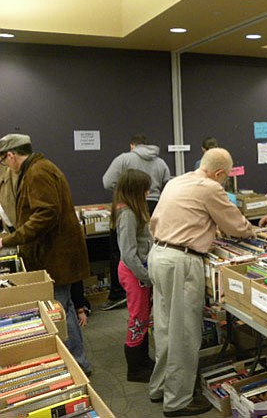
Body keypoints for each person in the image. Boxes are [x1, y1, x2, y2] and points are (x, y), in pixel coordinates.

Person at [148, 148, 254, 416]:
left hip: (158, 254)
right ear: (219, 173)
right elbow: (236, 226)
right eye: (225, 177)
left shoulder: (176, 181)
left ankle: (160, 387)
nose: (225, 182)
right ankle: (178, 401)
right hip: (181, 262)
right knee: (184, 333)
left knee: (164, 328)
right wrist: (253, 230)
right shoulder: (210, 187)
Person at [0, 133, 93, 375]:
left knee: (58, 310)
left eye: (4, 160)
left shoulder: (37, 172)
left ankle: (76, 366)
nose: (5, 166)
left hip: (56, 256)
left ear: (11, 155)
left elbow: (45, 215)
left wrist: (9, 239)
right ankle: (79, 363)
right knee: (66, 307)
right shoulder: (39, 168)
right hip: (58, 255)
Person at [101, 134, 170, 311]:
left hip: (130, 201)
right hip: (155, 206)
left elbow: (107, 181)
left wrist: (124, 190)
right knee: (150, 243)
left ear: (132, 145)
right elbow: (168, 184)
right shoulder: (160, 162)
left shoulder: (123, 159)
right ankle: (146, 284)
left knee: (122, 248)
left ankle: (120, 293)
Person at [112, 169, 155, 383]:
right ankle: (135, 368)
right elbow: (128, 253)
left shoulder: (132, 210)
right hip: (134, 272)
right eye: (145, 189)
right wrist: (146, 276)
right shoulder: (127, 214)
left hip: (138, 270)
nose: (148, 193)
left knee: (144, 317)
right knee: (137, 318)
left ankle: (143, 359)